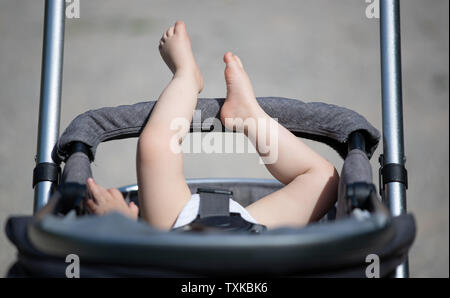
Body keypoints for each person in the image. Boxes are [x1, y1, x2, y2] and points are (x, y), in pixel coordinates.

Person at [85, 21, 339, 230]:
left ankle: (186, 76)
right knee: (324, 179)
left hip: (176, 243)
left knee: (156, 146)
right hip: (253, 242)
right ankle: (248, 115)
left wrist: (123, 228)